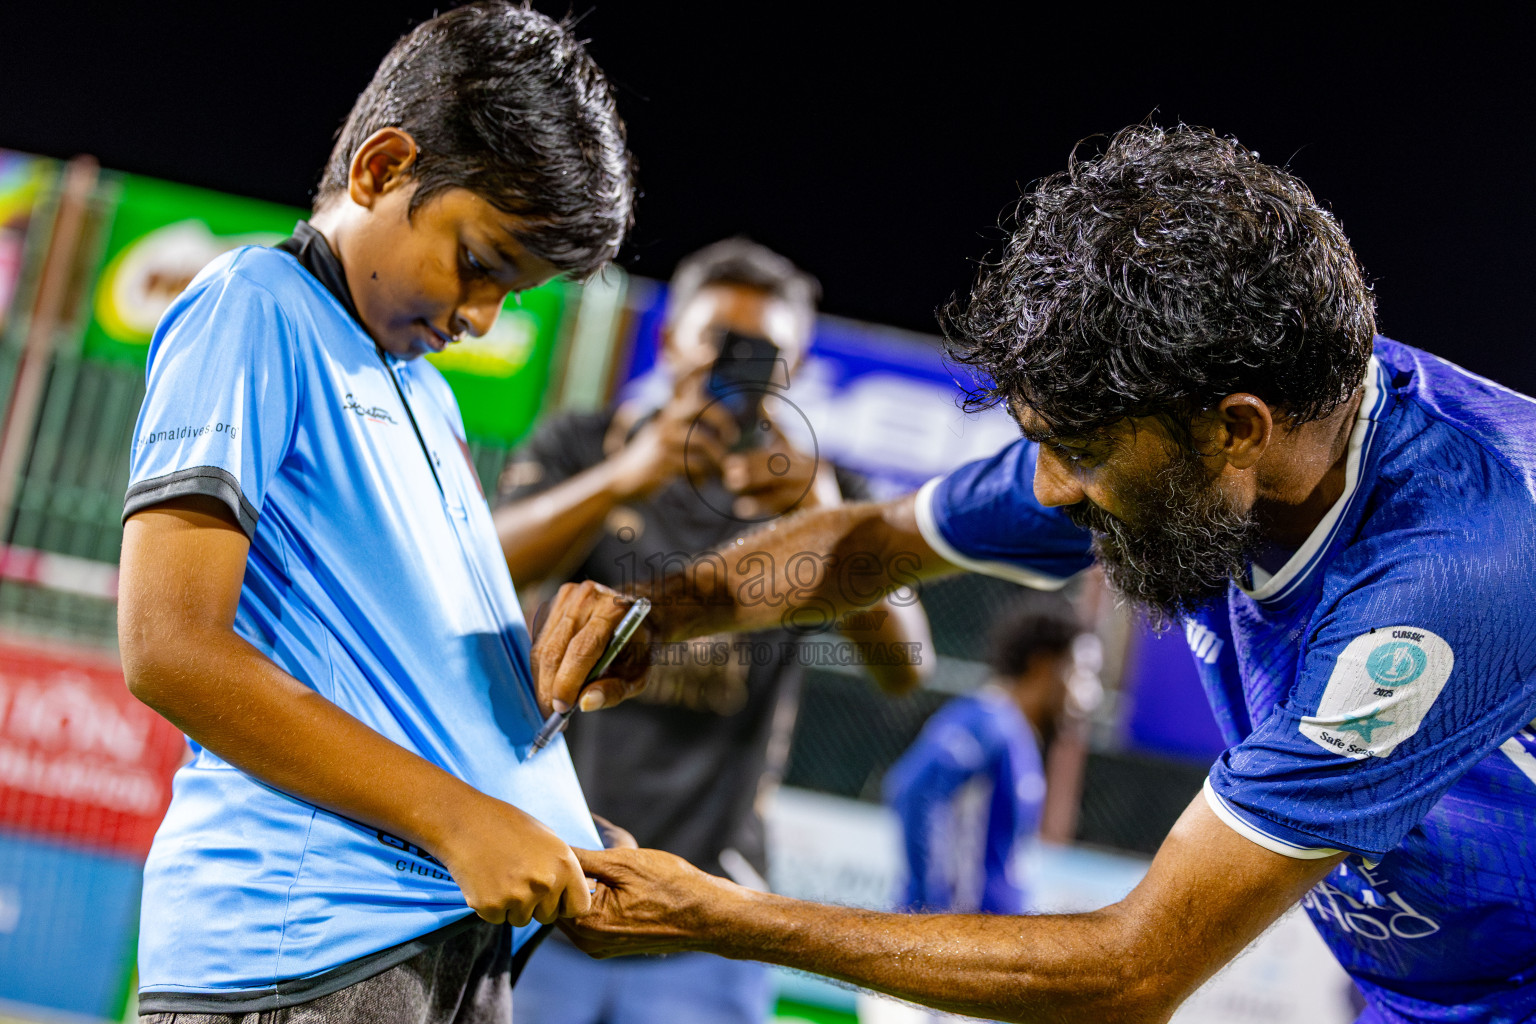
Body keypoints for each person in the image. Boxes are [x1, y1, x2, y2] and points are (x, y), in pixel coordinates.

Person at [530, 125, 1536, 1023]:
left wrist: (731, 917)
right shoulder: (1188, 416)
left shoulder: (1446, 580)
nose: (1049, 490)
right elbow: (875, 541)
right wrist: (660, 609)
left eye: (1083, 452)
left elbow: (1135, 969)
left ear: (1238, 431)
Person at [116, 6, 642, 1022]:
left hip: (435, 948)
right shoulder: (254, 304)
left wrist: (547, 814)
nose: (483, 315)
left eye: (513, 293)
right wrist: (461, 818)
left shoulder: (424, 392)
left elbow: (395, 667)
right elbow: (167, 646)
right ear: (381, 168)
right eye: (482, 264)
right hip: (303, 955)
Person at [497, 238, 931, 1024]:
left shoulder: (815, 489)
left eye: (769, 352)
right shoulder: (586, 446)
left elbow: (908, 666)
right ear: (668, 343)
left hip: (710, 917)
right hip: (546, 880)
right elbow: (488, 563)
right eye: (721, 344)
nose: (743, 367)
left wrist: (823, 515)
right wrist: (627, 478)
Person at [885, 597, 1076, 919]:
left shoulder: (1016, 732)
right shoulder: (988, 721)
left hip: (984, 948)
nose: (1089, 693)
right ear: (1043, 665)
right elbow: (914, 789)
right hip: (956, 949)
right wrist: (930, 915)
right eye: (1079, 672)